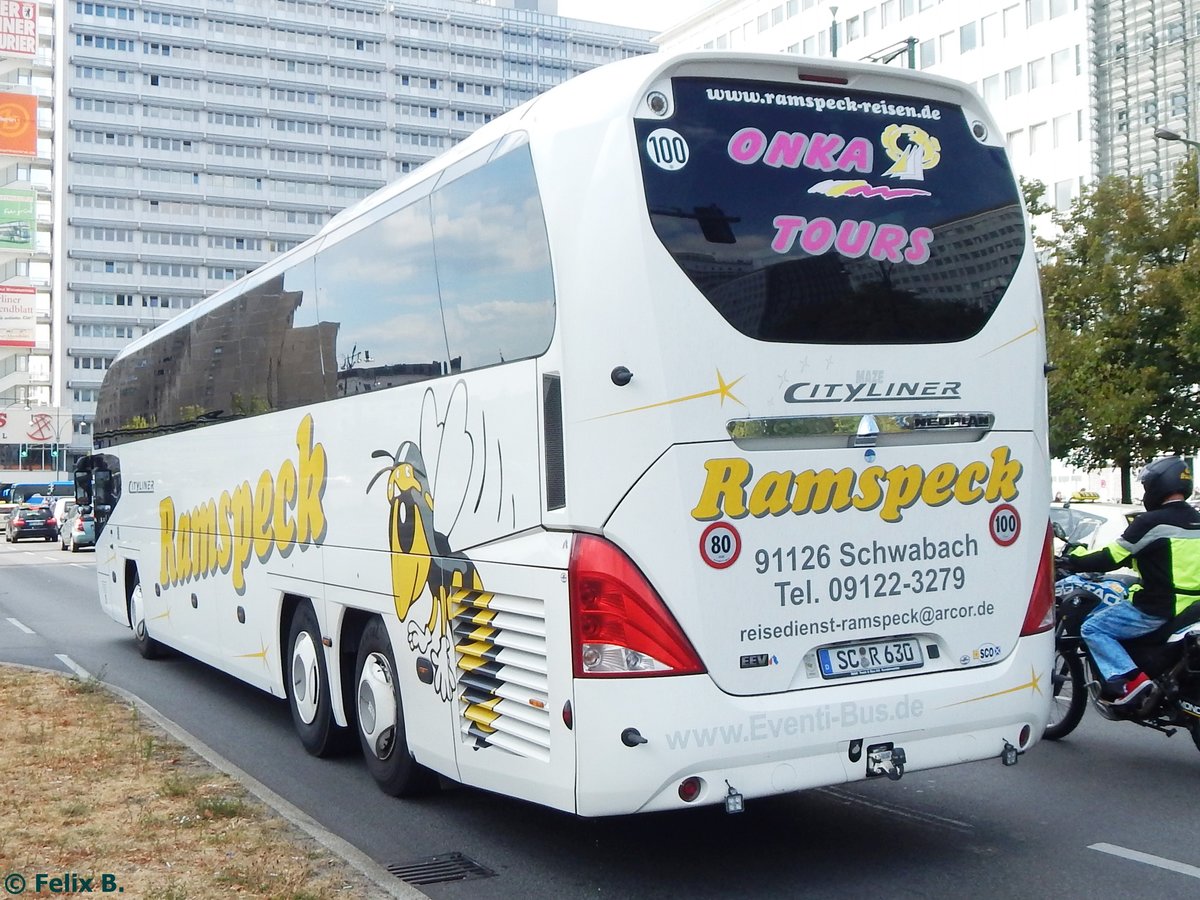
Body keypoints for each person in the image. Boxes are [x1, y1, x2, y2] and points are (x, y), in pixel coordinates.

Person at [1062, 456, 1200, 706]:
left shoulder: (1150, 522)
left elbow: (1111, 556)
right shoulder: (1197, 519)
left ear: (1158, 486)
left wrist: (1074, 558)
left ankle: (1132, 682)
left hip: (1158, 609)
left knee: (1093, 627)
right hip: (1193, 609)